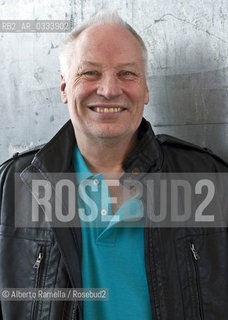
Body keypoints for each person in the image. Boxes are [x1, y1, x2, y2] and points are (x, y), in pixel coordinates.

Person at [0, 10, 228, 320]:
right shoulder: (11, 187)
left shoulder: (208, 179)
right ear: (64, 87)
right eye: (90, 73)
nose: (109, 89)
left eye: (127, 73)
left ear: (145, 89)